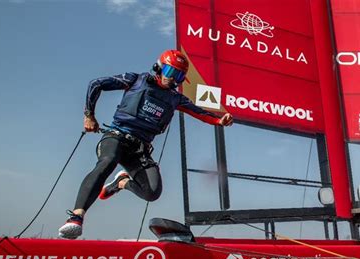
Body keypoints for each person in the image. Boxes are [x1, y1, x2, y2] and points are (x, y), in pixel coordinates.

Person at [58, 49, 233, 239]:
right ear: (158, 68)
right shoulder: (135, 80)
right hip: (116, 138)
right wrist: (89, 115)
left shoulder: (175, 98)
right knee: (107, 162)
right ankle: (76, 218)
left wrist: (219, 120)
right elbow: (96, 84)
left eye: (179, 76)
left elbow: (199, 112)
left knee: (152, 192)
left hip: (139, 150)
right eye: (170, 73)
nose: (173, 79)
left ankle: (122, 182)